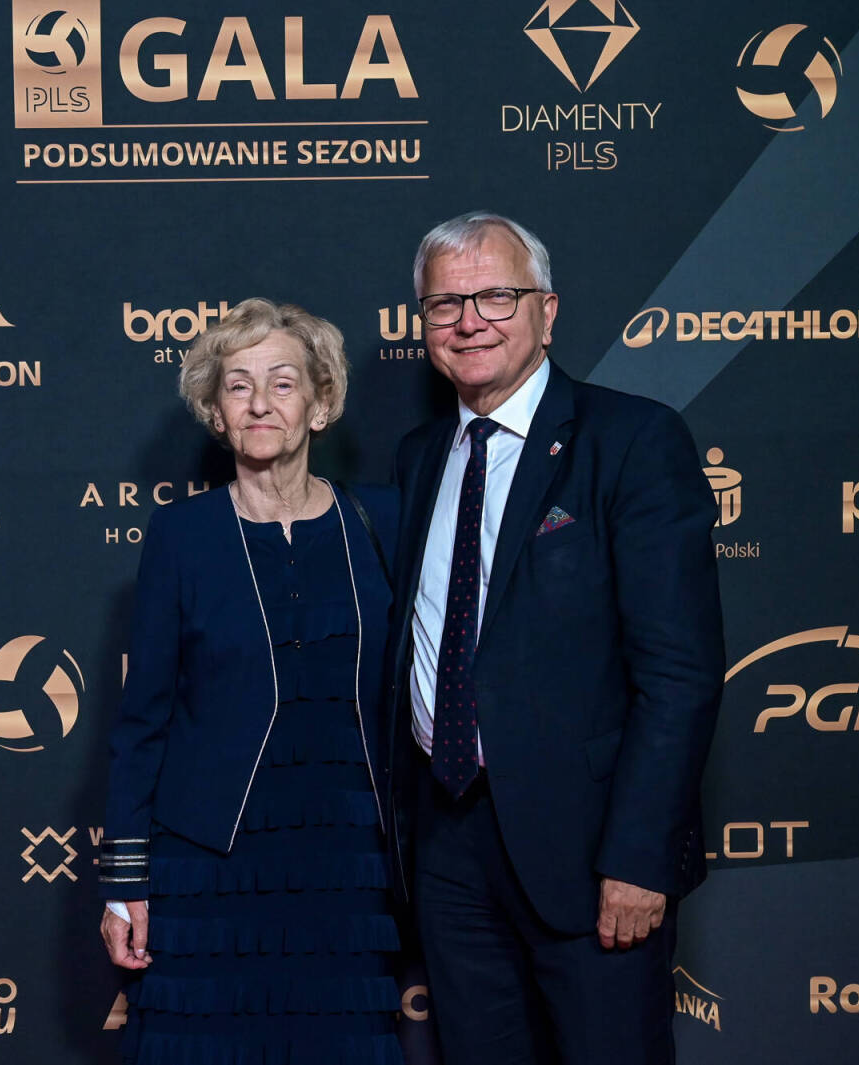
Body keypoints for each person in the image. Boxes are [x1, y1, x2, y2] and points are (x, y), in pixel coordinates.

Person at [384, 212, 724, 1064]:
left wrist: (639, 855)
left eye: (497, 296)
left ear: (547, 310)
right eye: (446, 304)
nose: (470, 321)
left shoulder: (633, 440)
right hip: (449, 844)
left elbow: (678, 673)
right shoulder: (419, 457)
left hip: (591, 850)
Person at [99, 298, 404, 1064]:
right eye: (238, 385)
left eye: (283, 382)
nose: (261, 402)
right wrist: (125, 880)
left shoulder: (383, 521)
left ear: (321, 403)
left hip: (349, 861)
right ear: (216, 412)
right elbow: (143, 720)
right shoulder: (183, 535)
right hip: (208, 862)